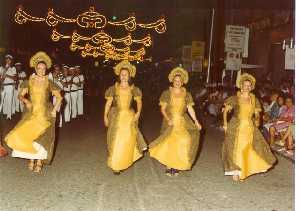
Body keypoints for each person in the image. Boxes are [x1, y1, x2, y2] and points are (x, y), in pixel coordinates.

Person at [5, 52, 62, 173]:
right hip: (31, 112)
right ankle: (31, 159)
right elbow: (20, 95)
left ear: (46, 69)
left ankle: (39, 161)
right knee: (27, 134)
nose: (41, 70)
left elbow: (60, 97)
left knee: (42, 136)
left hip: (44, 112)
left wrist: (54, 110)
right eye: (39, 68)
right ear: (35, 68)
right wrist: (26, 100)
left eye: (43, 68)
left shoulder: (49, 82)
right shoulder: (29, 81)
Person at [222, 73, 276, 181]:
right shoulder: (234, 98)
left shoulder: (254, 99)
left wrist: (257, 119)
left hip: (249, 127)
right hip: (235, 125)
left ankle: (243, 172)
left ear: (251, 87)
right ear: (240, 86)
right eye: (244, 85)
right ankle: (235, 171)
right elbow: (226, 111)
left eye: (248, 85)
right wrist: (225, 124)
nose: (246, 87)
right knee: (235, 148)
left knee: (247, 149)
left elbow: (257, 113)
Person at [149, 67, 201, 176]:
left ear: (183, 82)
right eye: (175, 80)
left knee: (184, 140)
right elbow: (162, 109)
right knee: (170, 142)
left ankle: (177, 164)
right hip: (170, 121)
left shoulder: (187, 94)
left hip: (182, 121)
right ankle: (169, 165)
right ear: (172, 81)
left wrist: (196, 121)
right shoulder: (166, 93)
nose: (177, 82)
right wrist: (168, 120)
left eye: (180, 81)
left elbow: (190, 108)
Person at [104, 60, 147, 174]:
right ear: (119, 75)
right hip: (116, 116)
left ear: (129, 76)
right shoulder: (114, 88)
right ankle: (116, 164)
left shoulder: (134, 89)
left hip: (128, 117)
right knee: (115, 139)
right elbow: (108, 103)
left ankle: (122, 161)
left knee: (126, 140)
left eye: (126, 74)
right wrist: (105, 116)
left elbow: (139, 102)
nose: (123, 76)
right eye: (122, 74)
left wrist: (138, 113)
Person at [0, 54, 17, 119]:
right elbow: (1, 78)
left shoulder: (13, 68)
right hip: (3, 85)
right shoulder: (1, 68)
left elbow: (15, 78)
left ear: (11, 61)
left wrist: (7, 76)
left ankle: (9, 116)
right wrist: (1, 85)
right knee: (1, 100)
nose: (8, 61)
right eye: (7, 59)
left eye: (9, 60)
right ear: (5, 60)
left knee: (9, 100)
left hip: (10, 86)